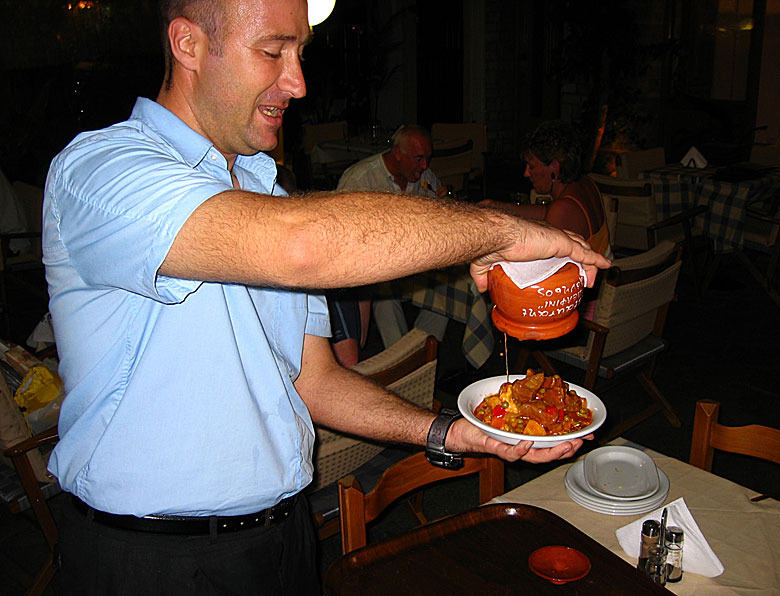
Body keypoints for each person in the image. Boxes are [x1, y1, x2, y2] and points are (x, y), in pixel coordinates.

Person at [42, 1, 609, 594]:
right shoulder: (102, 170)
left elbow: (311, 378)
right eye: (272, 51)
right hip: (149, 562)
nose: (298, 82)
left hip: (285, 538)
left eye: (301, 53)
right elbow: (303, 246)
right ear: (187, 45)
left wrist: (448, 432)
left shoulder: (270, 192)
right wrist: (509, 230)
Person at [330, 125, 449, 364]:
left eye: (427, 158)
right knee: (385, 299)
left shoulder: (425, 178)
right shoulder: (360, 179)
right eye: (419, 158)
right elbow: (340, 235)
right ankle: (400, 361)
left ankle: (419, 353)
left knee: (447, 292)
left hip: (417, 265)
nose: (425, 166)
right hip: (375, 268)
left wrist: (444, 206)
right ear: (398, 154)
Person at [483, 121, 610, 257]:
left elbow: (538, 263)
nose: (526, 173)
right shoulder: (585, 183)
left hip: (583, 277)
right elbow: (546, 211)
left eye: (531, 166)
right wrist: (496, 206)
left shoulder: (563, 208)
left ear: (555, 166)